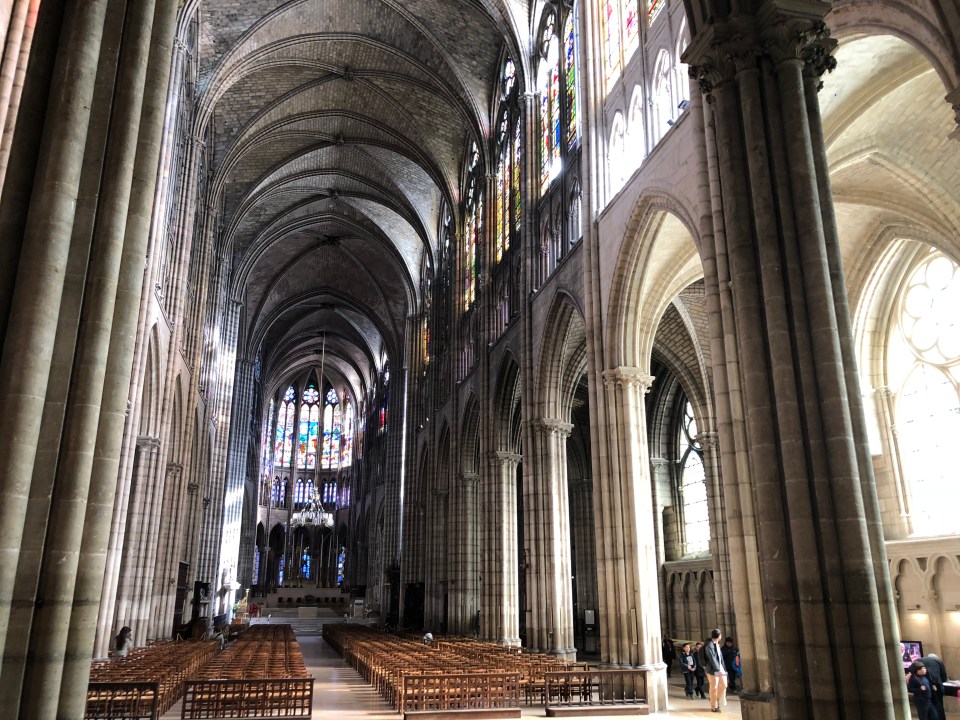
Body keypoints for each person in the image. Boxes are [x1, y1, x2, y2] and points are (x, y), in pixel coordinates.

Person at [702, 629, 728, 713]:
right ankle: (714, 706)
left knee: (724, 685)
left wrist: (723, 668)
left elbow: (720, 658)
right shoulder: (709, 645)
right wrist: (717, 669)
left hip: (720, 668)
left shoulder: (717, 644)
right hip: (712, 669)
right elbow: (712, 658)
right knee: (714, 687)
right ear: (719, 636)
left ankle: (714, 699)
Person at [921, 654, 949, 720]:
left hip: (922, 686)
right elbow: (944, 677)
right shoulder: (938, 661)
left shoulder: (919, 660)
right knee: (938, 706)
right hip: (936, 686)